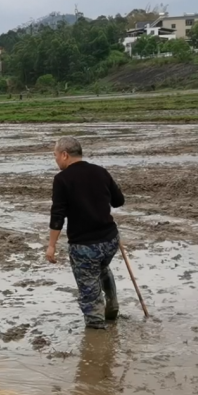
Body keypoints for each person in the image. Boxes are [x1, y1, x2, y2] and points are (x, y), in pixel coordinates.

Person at [45, 137, 125, 330]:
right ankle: (112, 306)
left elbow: (58, 215)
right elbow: (118, 201)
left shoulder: (61, 180)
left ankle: (96, 333)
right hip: (110, 241)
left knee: (89, 290)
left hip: (85, 246)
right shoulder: (100, 171)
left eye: (55, 155)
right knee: (102, 267)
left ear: (65, 155)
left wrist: (51, 245)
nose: (55, 160)